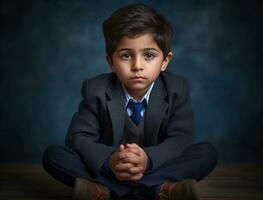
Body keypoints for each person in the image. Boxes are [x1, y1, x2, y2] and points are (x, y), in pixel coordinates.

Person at [42, 3, 218, 200]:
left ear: (165, 61)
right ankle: (161, 188)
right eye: (126, 55)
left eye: (149, 55)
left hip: (155, 166)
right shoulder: (96, 90)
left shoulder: (177, 88)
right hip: (110, 169)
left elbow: (180, 140)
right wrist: (111, 161)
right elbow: (78, 138)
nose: (137, 66)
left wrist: (148, 160)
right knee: (53, 155)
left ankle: (104, 190)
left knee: (206, 152)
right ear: (111, 61)